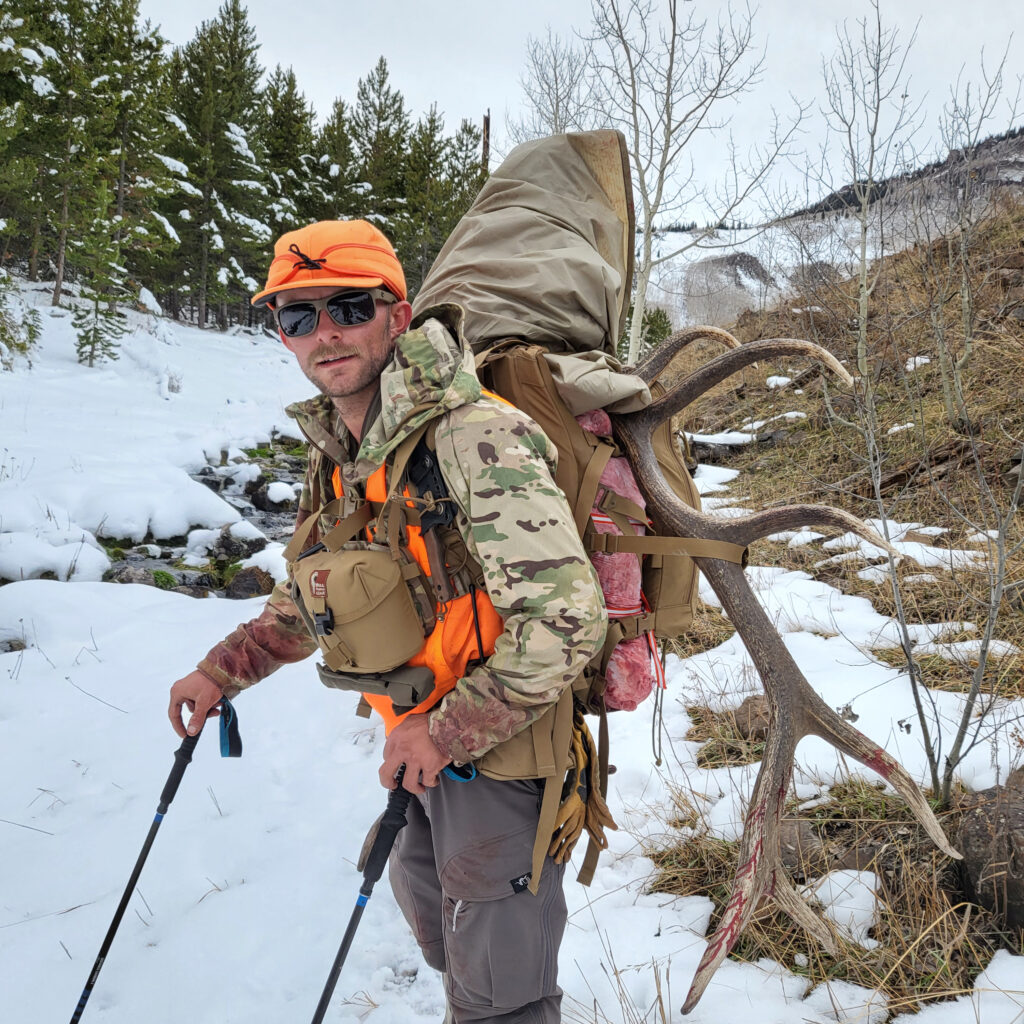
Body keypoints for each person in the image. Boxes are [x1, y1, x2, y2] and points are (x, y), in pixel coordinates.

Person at [168, 219, 608, 1024]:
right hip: (421, 742)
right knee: (441, 934)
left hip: (500, 750)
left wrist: (443, 733)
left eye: (349, 307)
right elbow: (316, 593)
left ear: (398, 317)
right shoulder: (343, 450)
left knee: (501, 997)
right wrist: (221, 670)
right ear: (282, 334)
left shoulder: (475, 438)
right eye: (299, 317)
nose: (324, 333)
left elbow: (567, 625)